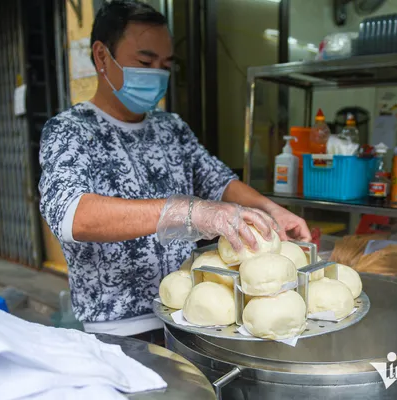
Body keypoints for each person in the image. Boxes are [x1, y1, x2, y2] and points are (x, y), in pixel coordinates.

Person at [39, 0, 311, 342]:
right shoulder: (71, 131)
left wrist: (270, 210)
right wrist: (188, 213)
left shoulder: (171, 128)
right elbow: (70, 215)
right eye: (145, 61)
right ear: (101, 56)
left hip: (193, 312)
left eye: (165, 64)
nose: (157, 73)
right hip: (122, 328)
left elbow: (217, 180)